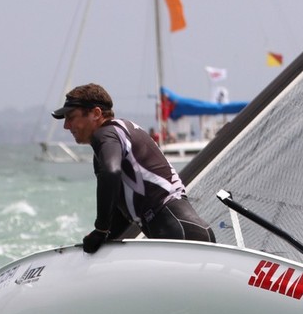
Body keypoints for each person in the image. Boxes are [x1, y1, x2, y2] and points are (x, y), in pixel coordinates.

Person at [52, 83, 216, 253]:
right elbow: (120, 211)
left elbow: (110, 173)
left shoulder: (107, 134)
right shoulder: (119, 135)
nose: (66, 126)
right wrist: (102, 236)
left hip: (176, 234)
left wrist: (101, 229)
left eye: (71, 117)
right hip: (189, 231)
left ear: (96, 113)